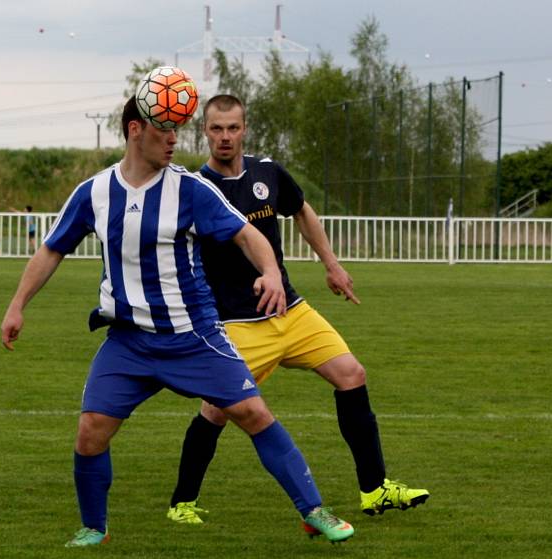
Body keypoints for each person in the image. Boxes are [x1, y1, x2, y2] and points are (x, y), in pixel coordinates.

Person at [0, 95, 355, 548]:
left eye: (177, 130)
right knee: (91, 431)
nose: (173, 140)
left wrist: (270, 272)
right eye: (163, 130)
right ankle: (94, 527)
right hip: (128, 343)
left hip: (194, 336)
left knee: (253, 411)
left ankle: (313, 510)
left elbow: (248, 234)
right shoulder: (95, 192)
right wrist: (18, 304)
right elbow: (53, 249)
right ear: (134, 130)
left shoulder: (191, 189)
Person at [166, 95, 429, 524]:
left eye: (233, 128)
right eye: (217, 129)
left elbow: (302, 211)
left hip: (291, 310)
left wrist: (331, 265)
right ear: (205, 132)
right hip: (237, 322)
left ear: (244, 129)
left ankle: (375, 489)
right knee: (216, 409)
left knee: (352, 374)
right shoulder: (196, 190)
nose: (225, 137)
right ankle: (182, 504)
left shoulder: (267, 173)